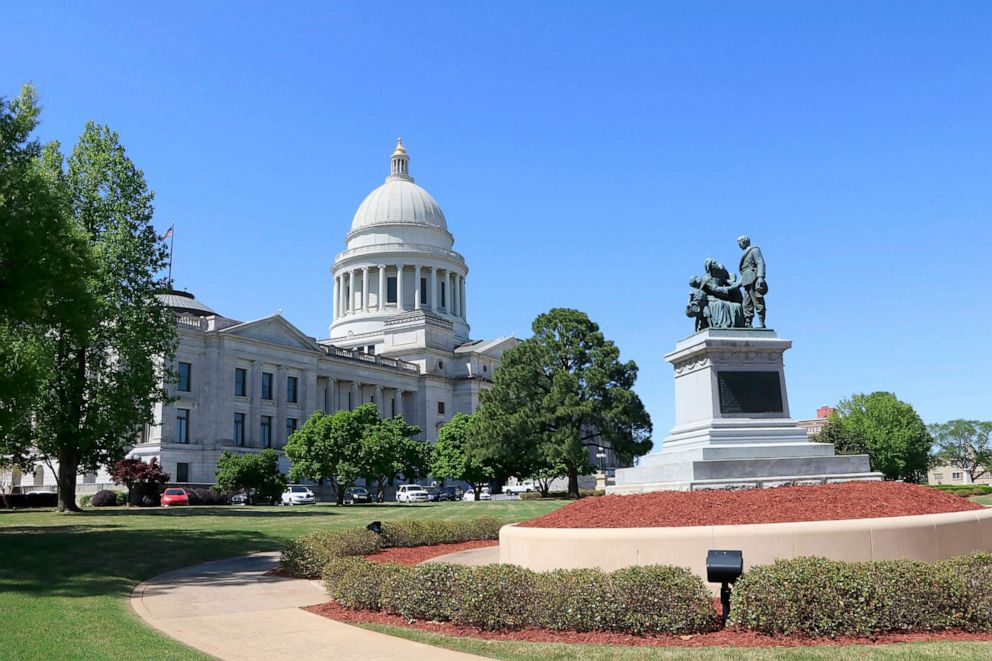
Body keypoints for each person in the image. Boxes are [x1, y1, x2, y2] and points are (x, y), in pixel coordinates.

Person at [737, 235, 767, 328]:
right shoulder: (746, 251)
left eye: (739, 243)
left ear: (744, 242)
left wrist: (760, 277)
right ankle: (748, 323)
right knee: (746, 303)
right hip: (746, 279)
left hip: (753, 278)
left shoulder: (754, 249)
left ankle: (762, 323)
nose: (739, 245)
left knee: (757, 300)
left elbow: (760, 262)